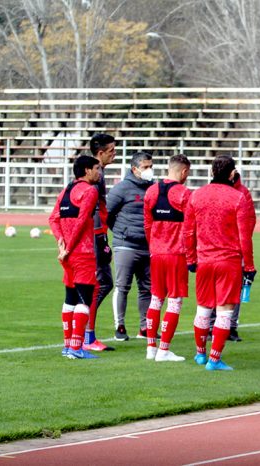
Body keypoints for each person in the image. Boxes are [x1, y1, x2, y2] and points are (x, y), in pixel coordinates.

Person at [184, 155, 256, 371]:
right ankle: (214, 359)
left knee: (203, 309)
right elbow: (245, 236)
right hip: (228, 261)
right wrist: (249, 266)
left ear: (212, 172)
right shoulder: (238, 198)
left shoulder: (196, 196)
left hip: (204, 260)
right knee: (225, 311)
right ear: (232, 174)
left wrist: (190, 259)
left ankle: (200, 354)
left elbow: (188, 231)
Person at [48, 155, 102, 359]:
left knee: (70, 297)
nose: (99, 172)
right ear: (87, 170)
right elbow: (81, 223)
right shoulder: (90, 191)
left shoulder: (66, 191)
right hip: (82, 253)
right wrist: (69, 247)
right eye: (97, 168)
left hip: (67, 256)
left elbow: (53, 219)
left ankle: (67, 345)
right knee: (84, 300)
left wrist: (60, 243)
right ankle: (77, 348)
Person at [143, 154, 192, 362]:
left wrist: (153, 246)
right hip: (176, 254)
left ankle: (151, 348)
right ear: (184, 172)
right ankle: (164, 349)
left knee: (156, 299)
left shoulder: (151, 191)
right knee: (174, 301)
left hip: (156, 253)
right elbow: (190, 228)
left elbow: (147, 224)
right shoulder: (184, 194)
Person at [106, 152, 155, 340]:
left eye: (151, 166)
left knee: (147, 288)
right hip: (126, 245)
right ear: (135, 169)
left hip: (147, 246)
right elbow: (107, 214)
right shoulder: (121, 189)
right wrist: (120, 232)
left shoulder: (153, 188)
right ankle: (120, 326)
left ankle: (145, 327)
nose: (149, 170)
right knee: (122, 286)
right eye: (145, 166)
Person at [208, 171, 257, 343]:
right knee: (214, 288)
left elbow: (250, 219)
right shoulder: (214, 191)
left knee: (234, 289)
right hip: (216, 247)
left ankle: (231, 326)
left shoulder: (242, 193)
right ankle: (212, 325)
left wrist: (242, 241)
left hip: (234, 248)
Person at [84, 133, 116, 352]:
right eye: (112, 151)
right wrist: (101, 238)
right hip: (95, 235)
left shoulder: (92, 171)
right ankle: (88, 335)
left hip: (95, 234)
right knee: (100, 284)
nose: (114, 154)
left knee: (97, 284)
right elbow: (93, 208)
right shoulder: (96, 175)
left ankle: (84, 331)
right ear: (101, 152)